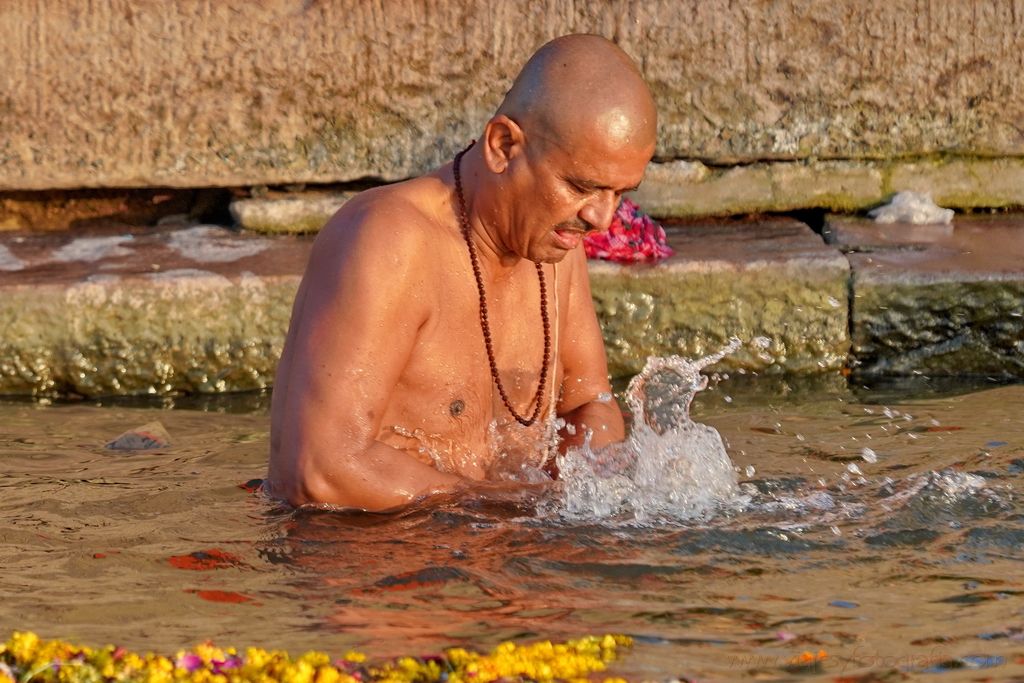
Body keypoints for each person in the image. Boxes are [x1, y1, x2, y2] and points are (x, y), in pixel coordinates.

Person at [266, 34, 658, 511]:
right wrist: (513, 506)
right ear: (503, 145)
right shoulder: (389, 240)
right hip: (375, 566)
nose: (602, 218)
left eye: (620, 193)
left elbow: (590, 406)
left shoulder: (554, 244)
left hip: (506, 554)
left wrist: (582, 491)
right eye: (581, 186)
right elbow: (320, 470)